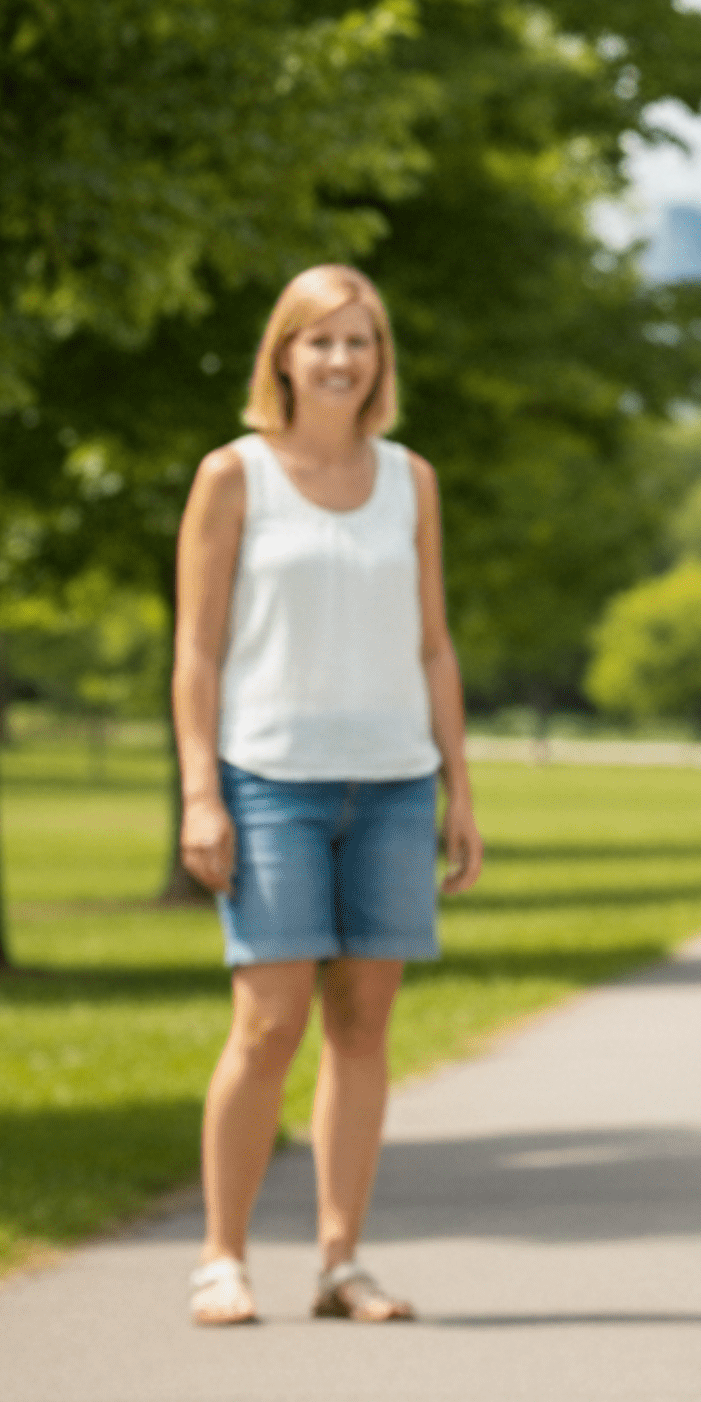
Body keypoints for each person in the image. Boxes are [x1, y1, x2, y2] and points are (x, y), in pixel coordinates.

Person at [173, 265, 485, 1326]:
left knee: (363, 1022)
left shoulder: (411, 478)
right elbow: (197, 648)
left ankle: (340, 1260)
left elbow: (433, 641)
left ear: (378, 361)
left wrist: (459, 786)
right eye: (321, 340)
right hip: (268, 780)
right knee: (268, 1021)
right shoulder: (235, 474)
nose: (342, 358)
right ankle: (221, 1256)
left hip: (396, 782)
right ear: (284, 355)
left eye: (360, 341)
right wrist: (199, 789)